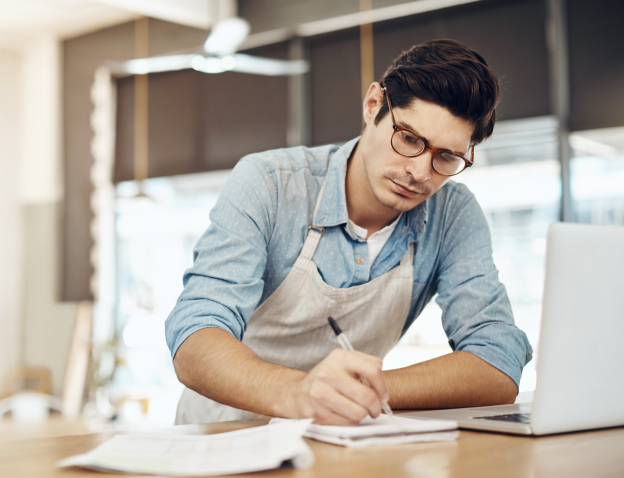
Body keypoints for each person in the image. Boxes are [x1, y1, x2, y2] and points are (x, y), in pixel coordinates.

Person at [165, 39, 533, 426]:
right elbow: (196, 337)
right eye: (409, 138)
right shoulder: (270, 183)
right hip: (223, 434)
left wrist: (363, 391)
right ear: (373, 104)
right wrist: (298, 393)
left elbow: (498, 360)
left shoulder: (452, 215)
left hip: (341, 440)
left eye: (446, 157)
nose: (421, 173)